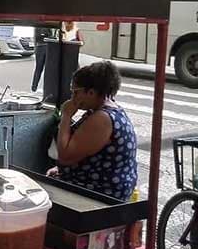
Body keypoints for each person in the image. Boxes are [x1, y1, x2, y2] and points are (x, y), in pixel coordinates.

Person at [49, 61, 137, 201]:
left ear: (91, 92)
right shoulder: (105, 110)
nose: (72, 98)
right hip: (93, 183)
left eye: (75, 92)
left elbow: (65, 157)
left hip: (99, 192)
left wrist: (66, 116)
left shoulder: (102, 119)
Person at [31, 26, 54, 92]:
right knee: (46, 69)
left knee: (39, 68)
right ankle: (45, 87)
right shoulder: (47, 25)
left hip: (40, 46)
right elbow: (50, 36)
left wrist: (35, 47)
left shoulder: (38, 25)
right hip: (46, 46)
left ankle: (34, 87)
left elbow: (35, 36)